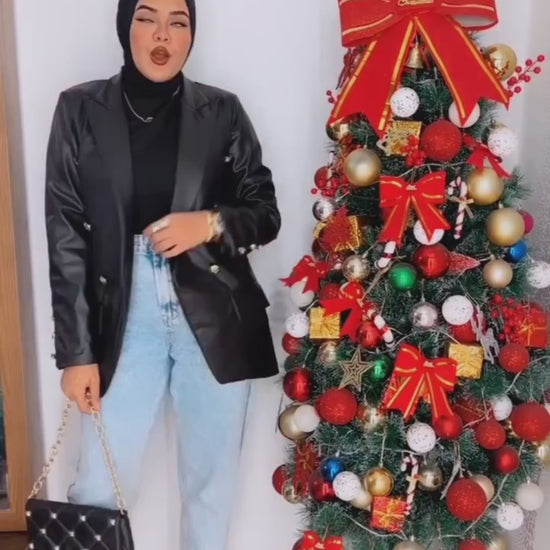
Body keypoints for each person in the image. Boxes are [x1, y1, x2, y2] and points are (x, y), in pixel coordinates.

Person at [45, 0, 280, 547]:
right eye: (147, 18)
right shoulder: (79, 108)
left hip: (215, 307)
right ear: (125, 26)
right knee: (100, 483)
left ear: (191, 35)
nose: (162, 35)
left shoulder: (222, 110)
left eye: (179, 22)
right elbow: (66, 235)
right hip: (121, 310)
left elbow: (264, 213)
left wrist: (210, 223)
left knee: (211, 485)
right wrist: (76, 352)